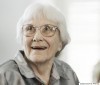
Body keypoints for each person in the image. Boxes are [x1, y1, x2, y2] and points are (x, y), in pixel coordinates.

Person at [0, 2, 79, 85]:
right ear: (22, 39)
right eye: (30, 28)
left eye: (47, 29)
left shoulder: (69, 74)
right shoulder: (4, 76)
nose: (37, 38)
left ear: (60, 42)